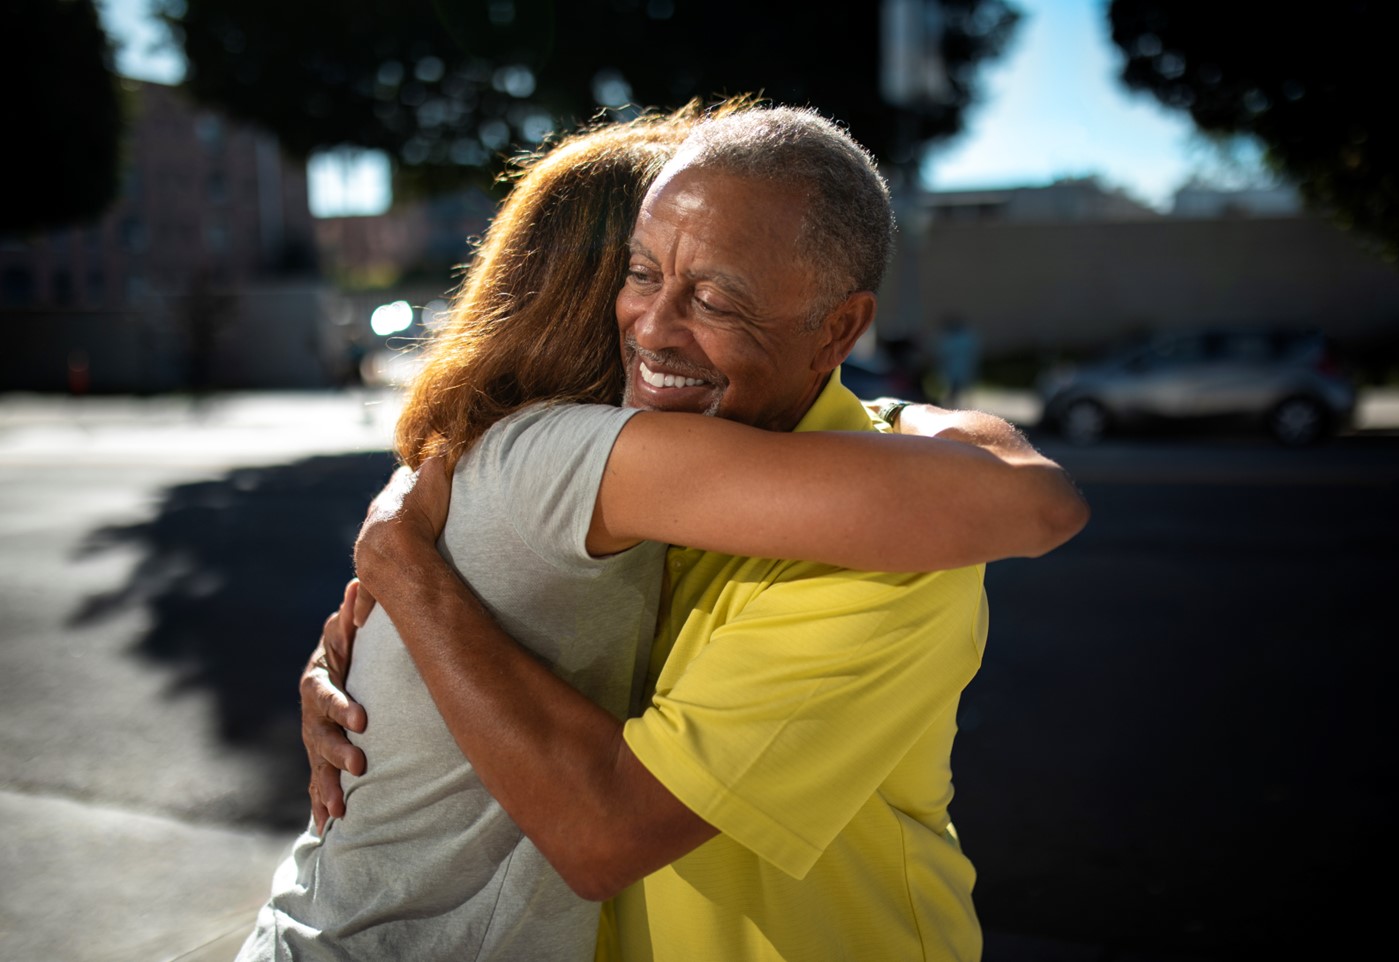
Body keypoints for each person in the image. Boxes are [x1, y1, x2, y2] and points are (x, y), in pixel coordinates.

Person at [300, 105, 1089, 962]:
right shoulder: (611, 462)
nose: (651, 326)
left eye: (713, 297)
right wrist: (365, 667)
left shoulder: (899, 544)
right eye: (641, 274)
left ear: (836, 330)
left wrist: (407, 574)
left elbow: (604, 831)